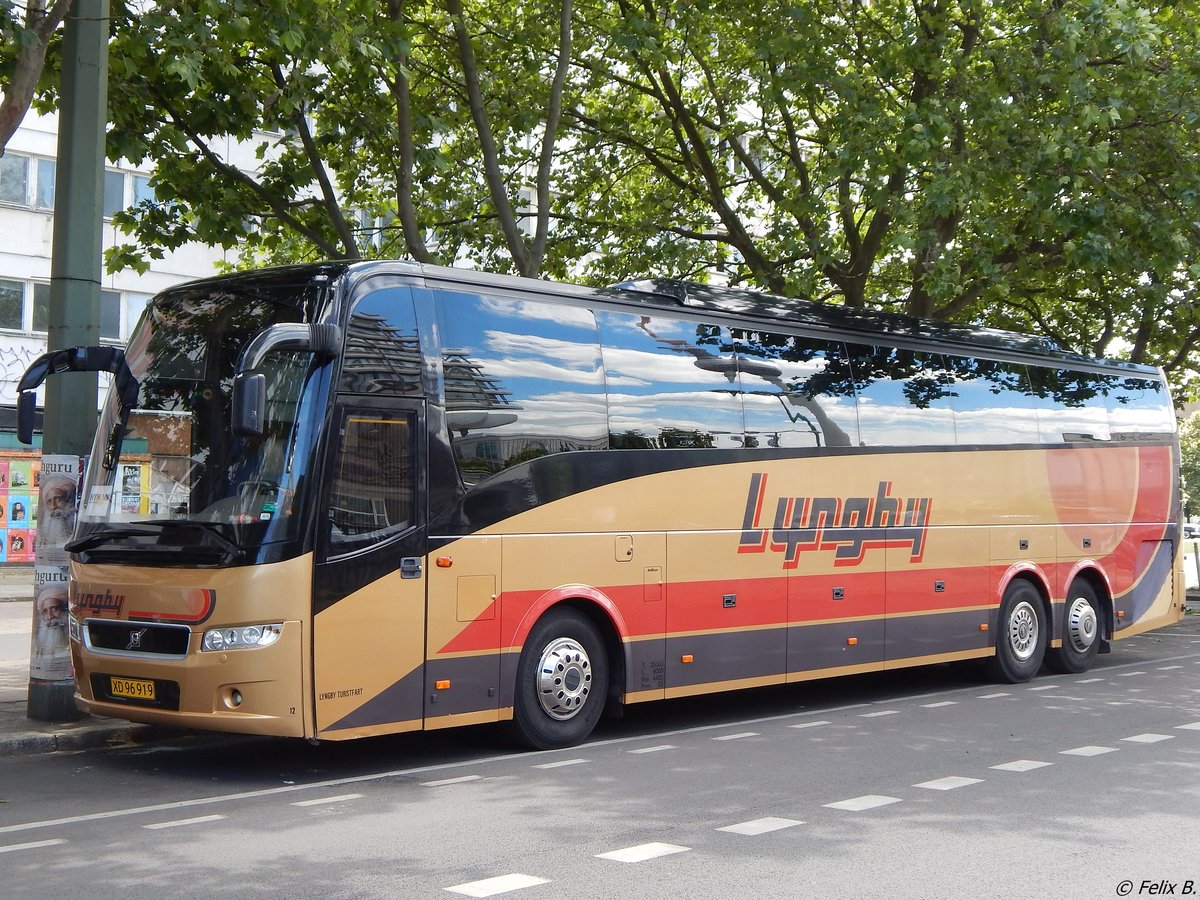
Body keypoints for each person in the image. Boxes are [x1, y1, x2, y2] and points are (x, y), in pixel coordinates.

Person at [31, 583, 72, 680]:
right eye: (45, 612)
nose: (50, 617)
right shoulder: (38, 647)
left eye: (54, 609)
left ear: (65, 610)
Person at [37, 472, 78, 549]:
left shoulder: (81, 529)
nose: (53, 506)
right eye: (49, 501)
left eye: (58, 499)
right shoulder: (41, 536)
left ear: (68, 500)